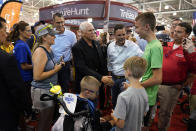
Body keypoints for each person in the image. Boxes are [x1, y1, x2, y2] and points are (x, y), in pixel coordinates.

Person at [158, 22, 195, 131]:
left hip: (172, 87)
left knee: (165, 112)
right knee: (151, 109)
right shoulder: (166, 45)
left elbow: (193, 71)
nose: (175, 34)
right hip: (156, 82)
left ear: (187, 34)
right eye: (174, 31)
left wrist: (183, 85)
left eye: (179, 32)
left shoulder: (190, 50)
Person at [72, 22, 114, 110]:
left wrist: (105, 77)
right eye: (90, 30)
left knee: (97, 106)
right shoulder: (77, 47)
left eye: (93, 30)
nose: (93, 32)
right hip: (86, 83)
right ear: (82, 33)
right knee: (86, 108)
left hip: (99, 81)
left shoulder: (96, 43)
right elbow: (82, 68)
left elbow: (102, 62)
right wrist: (101, 77)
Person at [31, 24, 65, 131]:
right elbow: (37, 76)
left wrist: (58, 64)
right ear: (44, 37)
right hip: (42, 91)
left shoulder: (49, 50)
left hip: (49, 90)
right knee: (43, 122)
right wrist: (56, 69)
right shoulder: (40, 52)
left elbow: (49, 67)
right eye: (52, 35)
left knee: (48, 120)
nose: (55, 37)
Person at [135, 12, 163, 128]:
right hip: (143, 93)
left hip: (147, 97)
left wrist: (136, 86)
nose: (135, 31)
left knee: (142, 126)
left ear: (146, 27)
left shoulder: (155, 47)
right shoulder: (150, 45)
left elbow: (157, 78)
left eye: (137, 27)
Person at [107, 24, 143, 108]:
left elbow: (143, 59)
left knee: (124, 104)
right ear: (114, 35)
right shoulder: (110, 46)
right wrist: (109, 77)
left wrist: (138, 78)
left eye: (123, 34)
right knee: (114, 102)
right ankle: (116, 119)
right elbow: (109, 63)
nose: (122, 37)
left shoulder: (133, 46)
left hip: (127, 80)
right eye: (119, 35)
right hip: (114, 78)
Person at [0, 17, 26, 131]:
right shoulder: (6, 58)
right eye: (5, 30)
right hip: (5, 114)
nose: (6, 34)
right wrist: (26, 109)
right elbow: (17, 89)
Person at [111, 56, 149, 131]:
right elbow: (144, 113)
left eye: (124, 70)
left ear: (128, 72)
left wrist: (113, 116)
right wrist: (130, 88)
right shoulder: (144, 91)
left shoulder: (123, 96)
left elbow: (120, 124)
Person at [8, 21, 33, 120]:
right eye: (27, 31)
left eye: (30, 30)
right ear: (20, 32)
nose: (30, 32)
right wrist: (37, 65)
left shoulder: (22, 43)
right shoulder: (21, 46)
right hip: (25, 79)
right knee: (26, 101)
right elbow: (23, 66)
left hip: (24, 78)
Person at [51, 13, 77, 93]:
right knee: (53, 89)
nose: (61, 24)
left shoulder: (71, 35)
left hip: (65, 66)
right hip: (51, 66)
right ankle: (54, 105)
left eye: (62, 22)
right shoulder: (50, 34)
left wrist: (74, 67)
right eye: (58, 22)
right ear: (53, 23)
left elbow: (75, 52)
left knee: (65, 88)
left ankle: (63, 105)